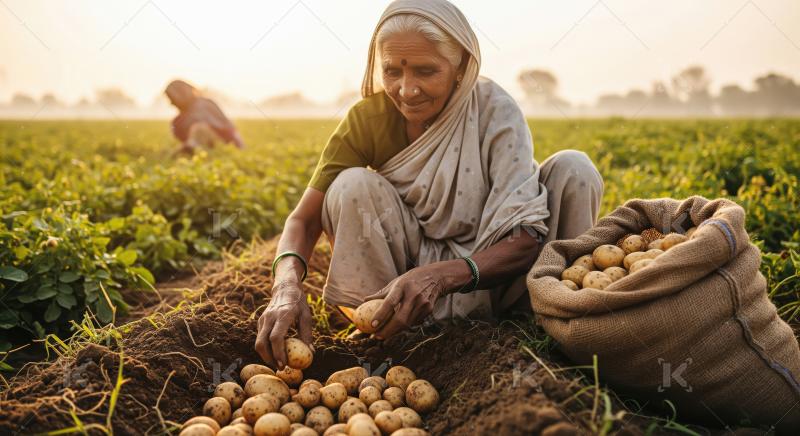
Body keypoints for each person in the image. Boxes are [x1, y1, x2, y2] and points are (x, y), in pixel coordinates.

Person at [255, 0, 603, 369]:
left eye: (425, 71)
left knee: (574, 169)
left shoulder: (494, 112)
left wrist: (442, 276)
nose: (406, 90)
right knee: (350, 184)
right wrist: (285, 288)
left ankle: (553, 322)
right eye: (392, 71)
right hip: (404, 290)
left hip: (498, 279)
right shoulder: (368, 120)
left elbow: (526, 238)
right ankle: (386, 330)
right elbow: (303, 221)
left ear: (461, 68)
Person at [164, 79, 245, 154]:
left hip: (230, 144)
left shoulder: (202, 104)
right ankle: (190, 149)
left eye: (172, 99)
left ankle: (189, 149)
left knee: (199, 128)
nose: (171, 103)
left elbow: (220, 129)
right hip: (213, 146)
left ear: (182, 94)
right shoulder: (184, 114)